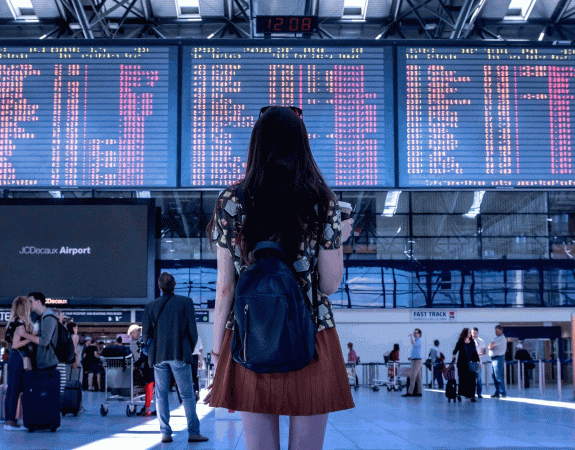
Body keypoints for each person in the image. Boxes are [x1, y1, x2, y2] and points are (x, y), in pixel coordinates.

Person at [205, 105, 355, 450]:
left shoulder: (231, 200)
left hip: (249, 335)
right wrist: (337, 240)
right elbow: (330, 285)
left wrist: (217, 352)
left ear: (256, 144)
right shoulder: (322, 201)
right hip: (311, 335)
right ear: (302, 144)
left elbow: (225, 286)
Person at [142, 272, 208, 444]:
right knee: (187, 395)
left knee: (161, 395)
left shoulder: (151, 306)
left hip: (158, 356)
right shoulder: (185, 302)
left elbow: (145, 335)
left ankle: (165, 433)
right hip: (180, 353)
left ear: (159, 287)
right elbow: (193, 331)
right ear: (175, 284)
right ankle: (193, 432)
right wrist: (188, 348)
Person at [3, 296, 33, 430]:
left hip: (12, 357)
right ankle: (12, 422)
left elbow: (10, 344)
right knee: (17, 390)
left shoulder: (11, 322)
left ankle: (9, 420)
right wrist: (30, 339)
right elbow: (16, 344)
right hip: (20, 357)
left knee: (11, 389)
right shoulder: (20, 323)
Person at [16, 293, 59, 372]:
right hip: (41, 364)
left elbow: (44, 341)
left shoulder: (49, 317)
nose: (28, 304)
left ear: (38, 302)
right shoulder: (40, 318)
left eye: (30, 301)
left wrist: (24, 334)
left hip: (47, 365)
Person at [452, 328, 480, 402]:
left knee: (472, 380)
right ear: (465, 333)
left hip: (471, 363)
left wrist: (478, 361)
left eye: (470, 333)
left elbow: (475, 352)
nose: (470, 334)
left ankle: (472, 396)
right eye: (468, 332)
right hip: (462, 363)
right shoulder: (461, 341)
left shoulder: (472, 341)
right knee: (462, 379)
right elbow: (455, 350)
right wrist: (454, 355)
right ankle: (460, 394)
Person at [488, 324, 507, 398]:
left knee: (498, 376)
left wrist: (490, 346)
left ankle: (503, 393)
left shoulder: (501, 338)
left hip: (498, 359)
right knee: (494, 376)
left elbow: (491, 345)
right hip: (494, 359)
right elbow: (490, 345)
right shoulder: (497, 338)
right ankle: (497, 392)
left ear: (501, 331)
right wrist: (490, 345)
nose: (495, 332)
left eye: (497, 330)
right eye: (495, 331)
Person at [403, 329, 423, 397]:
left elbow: (413, 344)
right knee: (418, 377)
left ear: (419, 334)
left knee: (412, 376)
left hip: (417, 361)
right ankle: (419, 392)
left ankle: (410, 392)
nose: (414, 334)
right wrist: (411, 357)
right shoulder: (417, 341)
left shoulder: (419, 340)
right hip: (414, 360)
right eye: (414, 333)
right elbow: (416, 351)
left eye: (416, 333)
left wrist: (411, 337)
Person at [472, 327, 487, 398]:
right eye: (473, 333)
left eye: (475, 333)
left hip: (478, 363)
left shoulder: (481, 341)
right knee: (470, 379)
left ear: (477, 333)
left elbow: (484, 352)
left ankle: (479, 393)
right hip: (470, 363)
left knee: (479, 379)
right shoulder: (468, 341)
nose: (474, 334)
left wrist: (478, 354)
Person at [191, 335, 203, 402]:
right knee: (195, 377)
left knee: (188, 377)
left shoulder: (183, 334)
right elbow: (200, 350)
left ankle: (192, 394)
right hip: (195, 357)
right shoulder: (197, 336)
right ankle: (196, 393)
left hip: (187, 357)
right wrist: (199, 361)